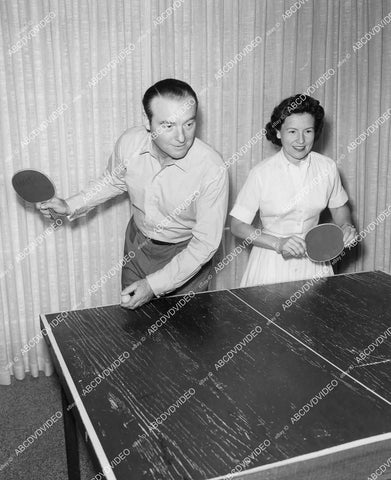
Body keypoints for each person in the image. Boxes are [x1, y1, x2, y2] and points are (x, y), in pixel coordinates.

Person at [37, 78, 228, 308]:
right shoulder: (130, 143)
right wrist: (69, 205)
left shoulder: (212, 168)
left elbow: (205, 244)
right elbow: (113, 180)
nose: (181, 137)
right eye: (168, 125)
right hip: (137, 247)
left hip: (187, 255)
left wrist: (153, 286)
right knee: (134, 330)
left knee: (184, 336)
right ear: (147, 122)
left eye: (189, 124)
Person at [230, 94, 356, 287]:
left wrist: (346, 225)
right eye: (292, 132)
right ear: (279, 132)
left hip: (315, 261)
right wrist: (278, 243)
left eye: (308, 131)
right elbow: (237, 225)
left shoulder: (327, 168)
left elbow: (339, 208)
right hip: (270, 262)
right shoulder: (261, 173)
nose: (300, 140)